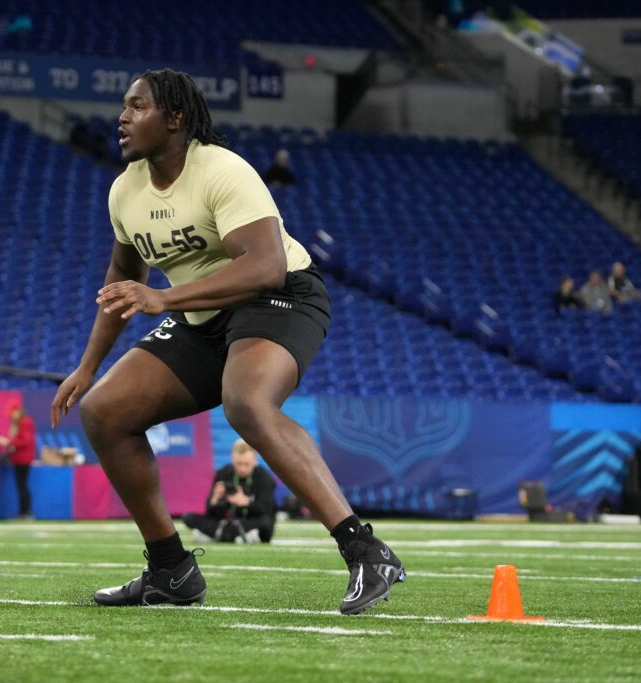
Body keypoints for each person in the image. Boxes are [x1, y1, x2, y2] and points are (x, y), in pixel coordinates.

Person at [50, 68, 404, 615]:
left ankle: (365, 549)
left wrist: (165, 300)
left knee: (246, 404)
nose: (122, 117)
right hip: (201, 316)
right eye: (123, 106)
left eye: (137, 107)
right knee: (104, 413)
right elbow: (122, 282)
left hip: (280, 295)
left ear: (175, 118)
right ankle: (170, 571)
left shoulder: (221, 169)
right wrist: (87, 366)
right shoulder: (126, 189)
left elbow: (264, 267)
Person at [183, 439, 276, 543]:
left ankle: (218, 535)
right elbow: (209, 511)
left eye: (246, 464)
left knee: (266, 522)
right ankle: (240, 536)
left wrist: (245, 502)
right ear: (232, 459)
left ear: (255, 461)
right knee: (189, 517)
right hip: (224, 522)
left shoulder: (264, 477)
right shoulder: (223, 473)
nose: (242, 469)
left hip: (249, 522)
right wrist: (215, 499)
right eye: (238, 464)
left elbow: (268, 509)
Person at [0, 399, 35, 520]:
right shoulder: (17, 423)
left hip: (24, 459)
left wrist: (8, 442)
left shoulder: (25, 422)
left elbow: (26, 441)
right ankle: (23, 512)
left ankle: (26, 513)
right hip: (17, 459)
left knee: (22, 486)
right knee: (20, 486)